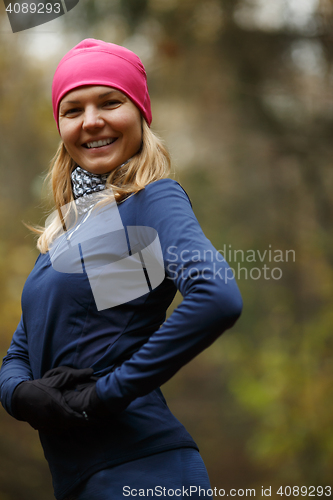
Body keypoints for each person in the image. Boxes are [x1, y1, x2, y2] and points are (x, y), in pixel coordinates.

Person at [0, 39, 243, 500]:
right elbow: (21, 352)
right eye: (73, 110)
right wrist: (20, 395)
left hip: (145, 472)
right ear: (61, 126)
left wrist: (105, 394)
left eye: (110, 102)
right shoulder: (67, 232)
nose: (91, 120)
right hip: (78, 481)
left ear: (140, 115)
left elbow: (217, 296)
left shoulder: (153, 201)